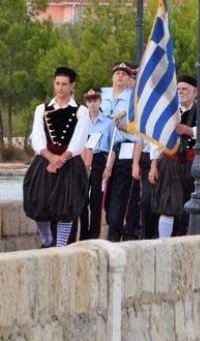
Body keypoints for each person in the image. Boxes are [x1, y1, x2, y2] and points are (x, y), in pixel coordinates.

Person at [23, 66, 91, 248]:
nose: (60, 88)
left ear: (72, 86)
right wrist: (50, 157)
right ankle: (47, 238)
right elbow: (37, 137)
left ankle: (60, 246)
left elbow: (79, 140)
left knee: (66, 206)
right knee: (38, 203)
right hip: (45, 160)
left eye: (64, 84)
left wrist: (61, 159)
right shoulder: (41, 109)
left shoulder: (81, 111)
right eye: (57, 83)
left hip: (69, 162)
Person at [149, 75, 198, 238]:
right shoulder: (168, 110)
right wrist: (153, 165)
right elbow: (156, 138)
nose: (180, 92)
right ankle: (165, 243)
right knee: (167, 204)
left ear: (195, 92)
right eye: (178, 89)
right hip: (170, 161)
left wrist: (190, 131)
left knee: (194, 206)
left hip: (194, 163)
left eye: (184, 89)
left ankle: (191, 242)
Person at [102, 62, 146, 241]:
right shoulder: (101, 96)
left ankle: (120, 231)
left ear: (129, 79)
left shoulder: (133, 99)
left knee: (122, 194)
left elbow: (138, 129)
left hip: (125, 148)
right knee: (107, 195)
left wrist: (122, 127)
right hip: (102, 151)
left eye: (124, 74)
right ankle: (111, 227)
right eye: (117, 73)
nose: (120, 76)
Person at [79, 87, 112, 240]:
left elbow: (113, 146)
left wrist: (108, 167)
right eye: (89, 101)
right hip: (83, 159)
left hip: (99, 159)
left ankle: (94, 233)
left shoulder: (108, 123)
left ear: (100, 102)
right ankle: (84, 233)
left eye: (95, 101)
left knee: (96, 200)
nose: (92, 104)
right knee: (82, 199)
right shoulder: (81, 121)